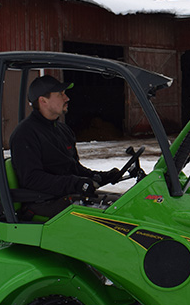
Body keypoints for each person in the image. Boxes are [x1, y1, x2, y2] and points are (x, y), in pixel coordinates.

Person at [9, 75, 121, 218]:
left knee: (123, 203)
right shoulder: (25, 134)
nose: (66, 98)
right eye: (60, 94)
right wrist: (75, 183)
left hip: (64, 196)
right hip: (42, 202)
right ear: (43, 101)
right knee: (115, 215)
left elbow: (73, 167)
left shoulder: (62, 130)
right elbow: (32, 179)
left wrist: (99, 176)